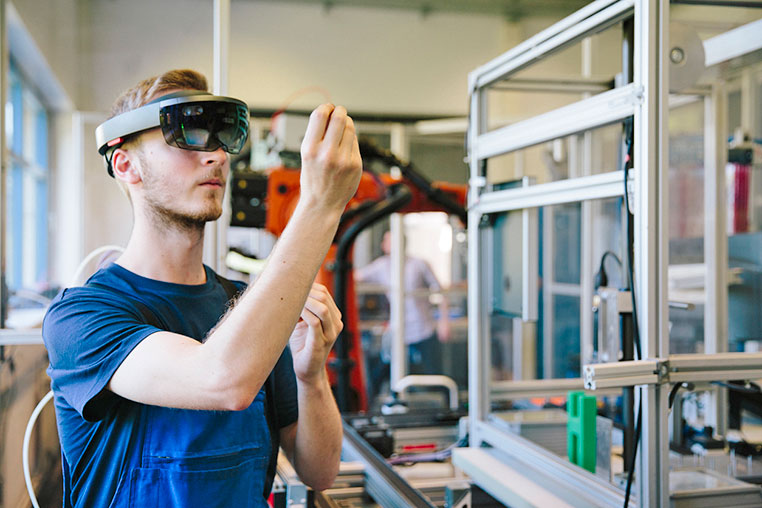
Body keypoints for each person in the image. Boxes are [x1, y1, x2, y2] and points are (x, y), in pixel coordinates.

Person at [42, 70, 362, 508]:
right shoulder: (82, 318)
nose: (215, 155)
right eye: (187, 133)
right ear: (125, 164)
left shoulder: (253, 308)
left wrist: (310, 378)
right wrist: (320, 205)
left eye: (219, 137)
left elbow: (319, 471)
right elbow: (222, 380)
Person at [355, 230, 450, 377]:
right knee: (384, 371)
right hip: (399, 329)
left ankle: (445, 399)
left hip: (423, 328)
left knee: (435, 373)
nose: (383, 244)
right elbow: (356, 276)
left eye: (387, 240)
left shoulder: (419, 264)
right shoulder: (382, 265)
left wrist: (444, 322)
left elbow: (442, 292)